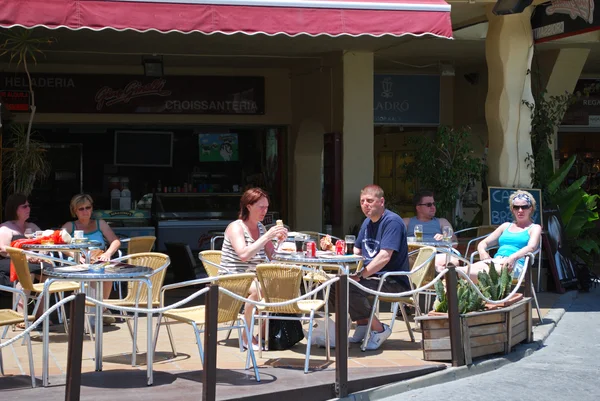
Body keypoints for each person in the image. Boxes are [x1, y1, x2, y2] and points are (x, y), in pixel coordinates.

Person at [221, 187, 288, 350]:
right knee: (261, 288)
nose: (265, 211)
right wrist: (267, 237)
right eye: (261, 207)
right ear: (248, 206)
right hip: (233, 277)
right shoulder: (236, 227)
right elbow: (244, 255)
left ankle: (264, 335)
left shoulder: (260, 227)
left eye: (266, 207)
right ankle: (246, 335)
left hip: (255, 278)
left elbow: (273, 255)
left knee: (280, 287)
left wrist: (280, 242)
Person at [346, 184, 410, 350]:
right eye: (362, 201)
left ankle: (379, 329)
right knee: (337, 284)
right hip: (374, 277)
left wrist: (361, 275)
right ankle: (362, 325)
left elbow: (384, 257)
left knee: (350, 286)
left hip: (393, 281)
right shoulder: (367, 222)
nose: (365, 205)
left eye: (370, 201)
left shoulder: (392, 222)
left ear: (381, 202)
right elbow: (357, 249)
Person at [61, 194, 121, 323]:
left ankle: (101, 309)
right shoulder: (70, 226)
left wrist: (108, 253)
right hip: (78, 261)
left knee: (106, 274)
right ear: (74, 211)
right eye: (81, 209)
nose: (85, 211)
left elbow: (115, 241)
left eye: (88, 207)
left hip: (99, 258)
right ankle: (93, 313)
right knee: (93, 274)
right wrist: (74, 255)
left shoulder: (100, 224)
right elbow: (58, 243)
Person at [465, 190, 542, 281]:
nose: (520, 210)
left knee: (471, 273)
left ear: (531, 209)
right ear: (512, 209)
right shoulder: (505, 226)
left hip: (516, 264)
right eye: (516, 207)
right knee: (462, 270)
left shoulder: (534, 228)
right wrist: (482, 252)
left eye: (524, 207)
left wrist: (513, 257)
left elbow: (531, 247)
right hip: (496, 260)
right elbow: (484, 243)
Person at [0, 193, 44, 322]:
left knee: (48, 274)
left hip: (32, 262)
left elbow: (45, 243)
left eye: (28, 206)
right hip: (9, 261)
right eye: (24, 206)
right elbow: (2, 250)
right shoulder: (6, 228)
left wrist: (39, 256)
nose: (28, 209)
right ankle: (21, 315)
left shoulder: (32, 227)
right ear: (15, 209)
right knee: (26, 271)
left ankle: (41, 315)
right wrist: (25, 256)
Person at [403, 190, 457, 270]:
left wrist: (445, 238)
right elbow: (395, 239)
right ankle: (434, 269)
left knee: (453, 261)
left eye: (434, 204)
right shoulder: (406, 222)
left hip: (437, 255)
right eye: (429, 205)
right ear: (418, 208)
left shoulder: (442, 221)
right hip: (414, 256)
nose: (433, 207)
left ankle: (433, 269)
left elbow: (454, 243)